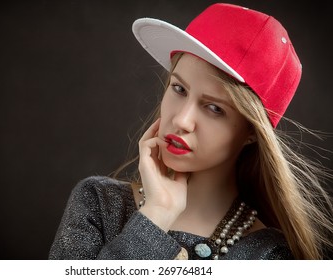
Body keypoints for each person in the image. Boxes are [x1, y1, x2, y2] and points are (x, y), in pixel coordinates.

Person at [48, 3, 333, 260]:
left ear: (251, 132)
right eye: (179, 88)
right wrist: (156, 215)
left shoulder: (270, 255)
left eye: (215, 109)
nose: (182, 120)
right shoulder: (98, 203)